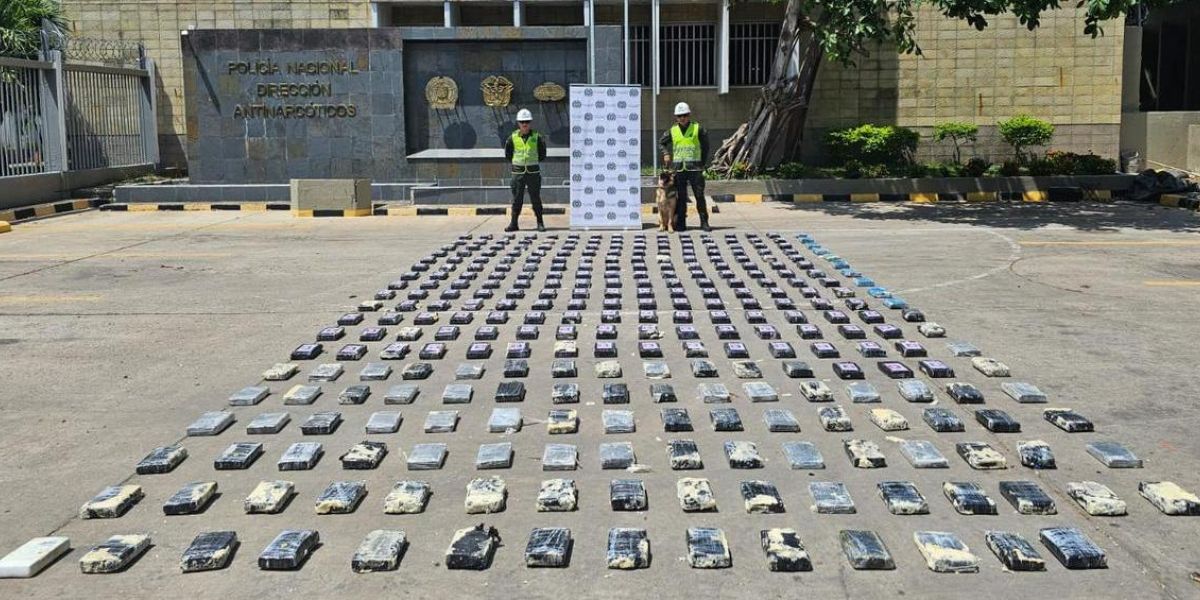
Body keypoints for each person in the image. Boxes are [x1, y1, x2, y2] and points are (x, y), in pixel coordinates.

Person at [658, 101, 710, 232]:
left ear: (689, 115)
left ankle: (704, 222)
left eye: (685, 115)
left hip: (695, 168)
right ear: (676, 117)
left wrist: (702, 163)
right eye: (680, 116)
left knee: (699, 196)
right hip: (679, 169)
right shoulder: (672, 130)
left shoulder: (698, 129)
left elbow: (706, 146)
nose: (682, 118)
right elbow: (661, 143)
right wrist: (665, 153)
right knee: (681, 198)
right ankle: (681, 223)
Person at [503, 108, 548, 232]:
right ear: (518, 123)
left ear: (530, 123)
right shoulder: (512, 138)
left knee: (536, 199)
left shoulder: (537, 137)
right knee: (517, 199)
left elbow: (542, 154)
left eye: (527, 122)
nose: (524, 124)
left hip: (533, 173)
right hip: (518, 173)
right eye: (522, 122)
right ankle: (514, 224)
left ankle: (540, 223)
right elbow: (508, 154)